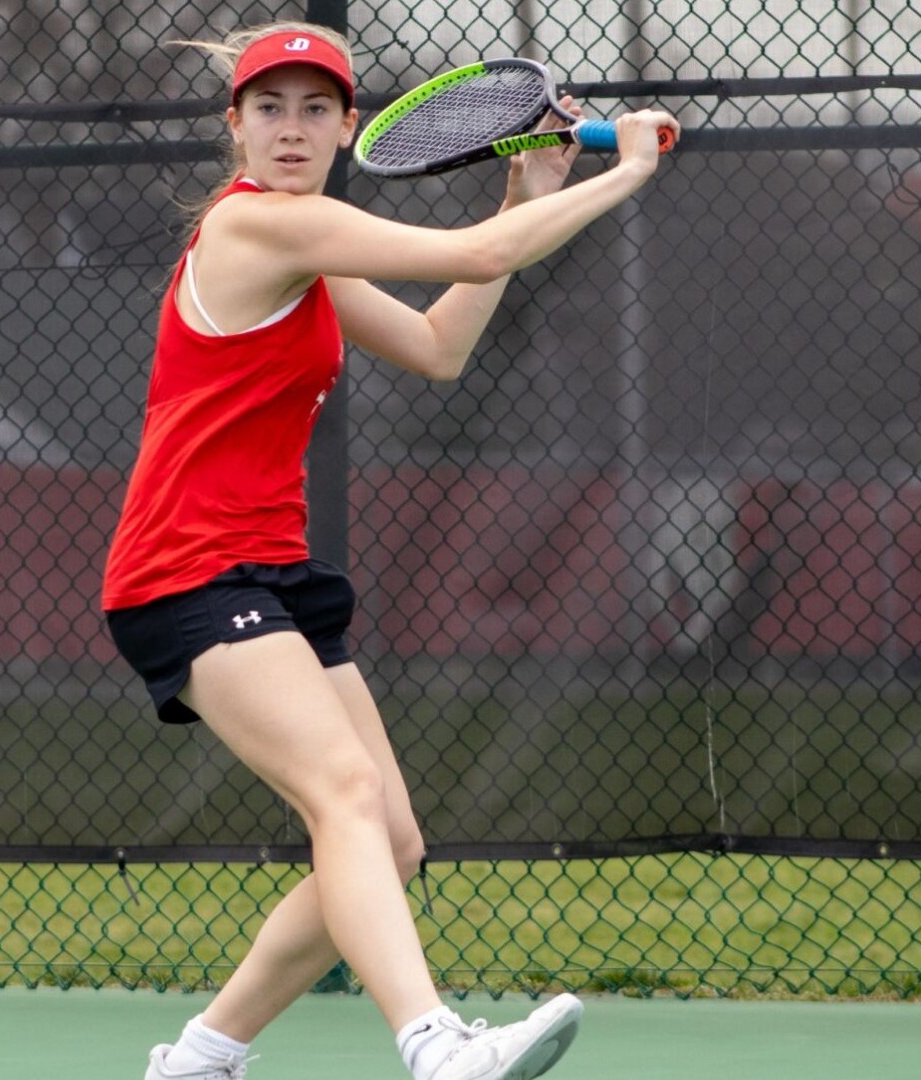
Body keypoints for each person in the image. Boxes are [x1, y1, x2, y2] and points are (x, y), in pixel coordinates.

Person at [101, 21, 679, 1080]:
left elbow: (436, 345)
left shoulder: (309, 249)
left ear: (345, 125)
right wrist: (619, 175)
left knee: (388, 841)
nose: (290, 127)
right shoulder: (253, 233)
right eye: (267, 108)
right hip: (185, 568)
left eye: (313, 108)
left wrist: (521, 195)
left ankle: (197, 1058)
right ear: (232, 128)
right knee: (345, 796)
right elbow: (477, 256)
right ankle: (434, 1046)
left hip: (267, 572)